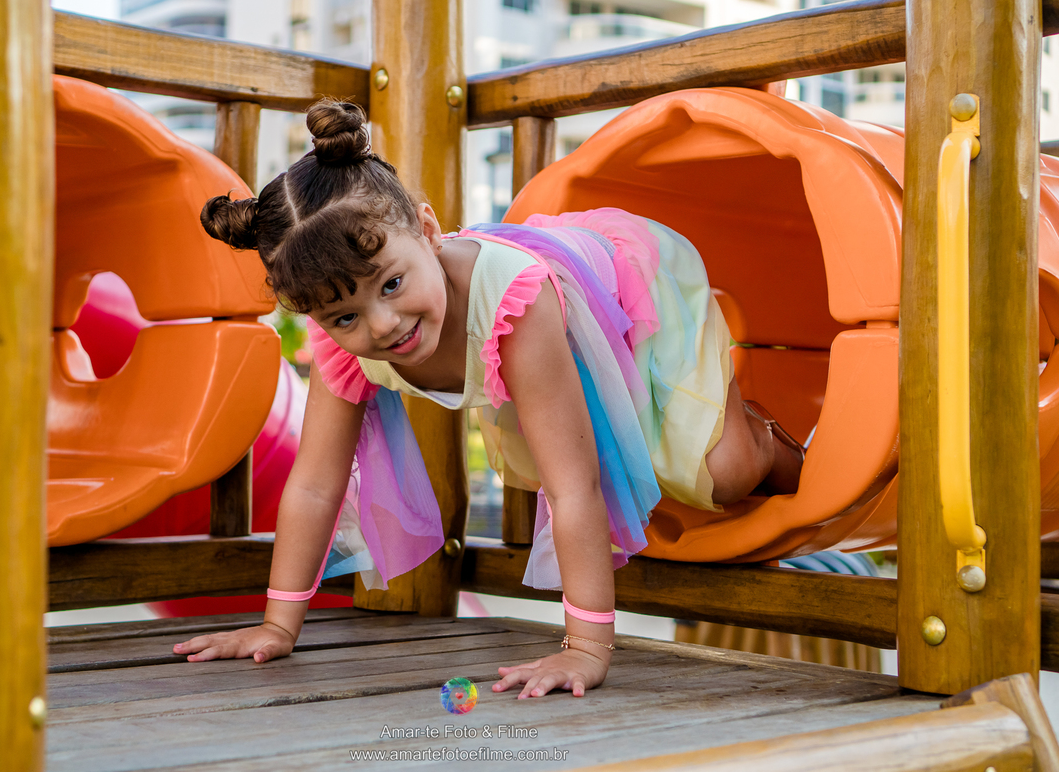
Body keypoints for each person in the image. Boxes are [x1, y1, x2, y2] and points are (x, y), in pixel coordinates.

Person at [172, 99, 804, 699]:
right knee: (631, 460)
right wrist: (277, 626)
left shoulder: (514, 303)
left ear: (426, 230)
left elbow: (573, 484)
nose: (383, 324)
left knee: (724, 473)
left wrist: (585, 648)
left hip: (624, 297)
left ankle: (775, 443)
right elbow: (314, 484)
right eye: (343, 315)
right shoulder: (344, 338)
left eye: (392, 283)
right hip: (552, 356)